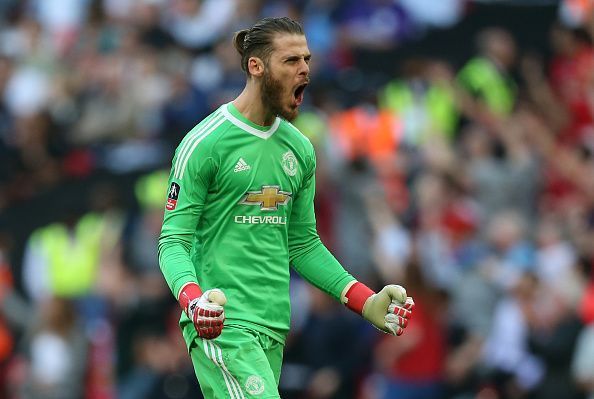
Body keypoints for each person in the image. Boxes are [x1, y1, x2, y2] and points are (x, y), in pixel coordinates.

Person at [158, 16, 414, 398]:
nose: (305, 70)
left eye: (307, 59)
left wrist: (365, 300)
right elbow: (172, 242)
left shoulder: (300, 148)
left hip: (275, 326)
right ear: (256, 67)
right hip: (223, 323)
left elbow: (304, 245)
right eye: (291, 61)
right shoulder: (206, 143)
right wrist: (194, 300)